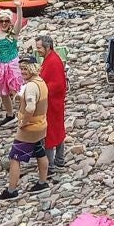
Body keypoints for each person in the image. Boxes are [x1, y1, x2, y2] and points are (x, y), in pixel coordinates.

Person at [0, 69, 50, 200]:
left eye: (26, 68)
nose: (23, 71)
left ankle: (11, 191)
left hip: (29, 128)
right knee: (40, 151)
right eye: (22, 68)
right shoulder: (40, 82)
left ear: (33, 68)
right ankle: (42, 182)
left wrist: (23, 122)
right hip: (40, 124)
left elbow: (30, 107)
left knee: (14, 157)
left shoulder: (31, 86)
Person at [36, 35, 67, 169]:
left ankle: (50, 165)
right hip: (54, 102)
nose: (37, 50)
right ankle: (59, 160)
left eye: (39, 48)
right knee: (57, 130)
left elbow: (58, 84)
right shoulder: (51, 59)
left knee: (49, 133)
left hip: (52, 103)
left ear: (47, 47)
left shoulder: (52, 61)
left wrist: (41, 89)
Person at [0, 11, 25, 123]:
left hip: (13, 63)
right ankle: (10, 115)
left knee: (17, 89)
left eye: (6, 21)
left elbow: (19, 21)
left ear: (10, 22)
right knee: (3, 92)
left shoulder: (13, 33)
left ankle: (23, 114)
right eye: (1, 21)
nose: (4, 23)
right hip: (0, 65)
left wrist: (19, 8)